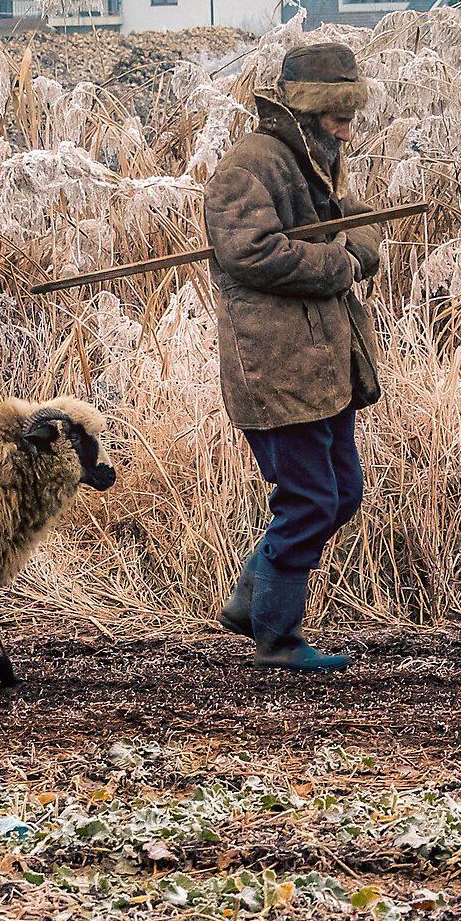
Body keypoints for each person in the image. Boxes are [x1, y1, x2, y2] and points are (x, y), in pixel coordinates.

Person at [202, 39, 385, 672]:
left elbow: (350, 217)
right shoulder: (249, 165)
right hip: (274, 364)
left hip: (321, 360)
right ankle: (276, 637)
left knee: (342, 494)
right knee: (308, 499)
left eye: (349, 111)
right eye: (337, 113)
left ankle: (252, 599)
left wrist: (359, 238)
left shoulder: (313, 156)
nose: (347, 125)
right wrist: (341, 262)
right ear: (306, 109)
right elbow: (249, 252)